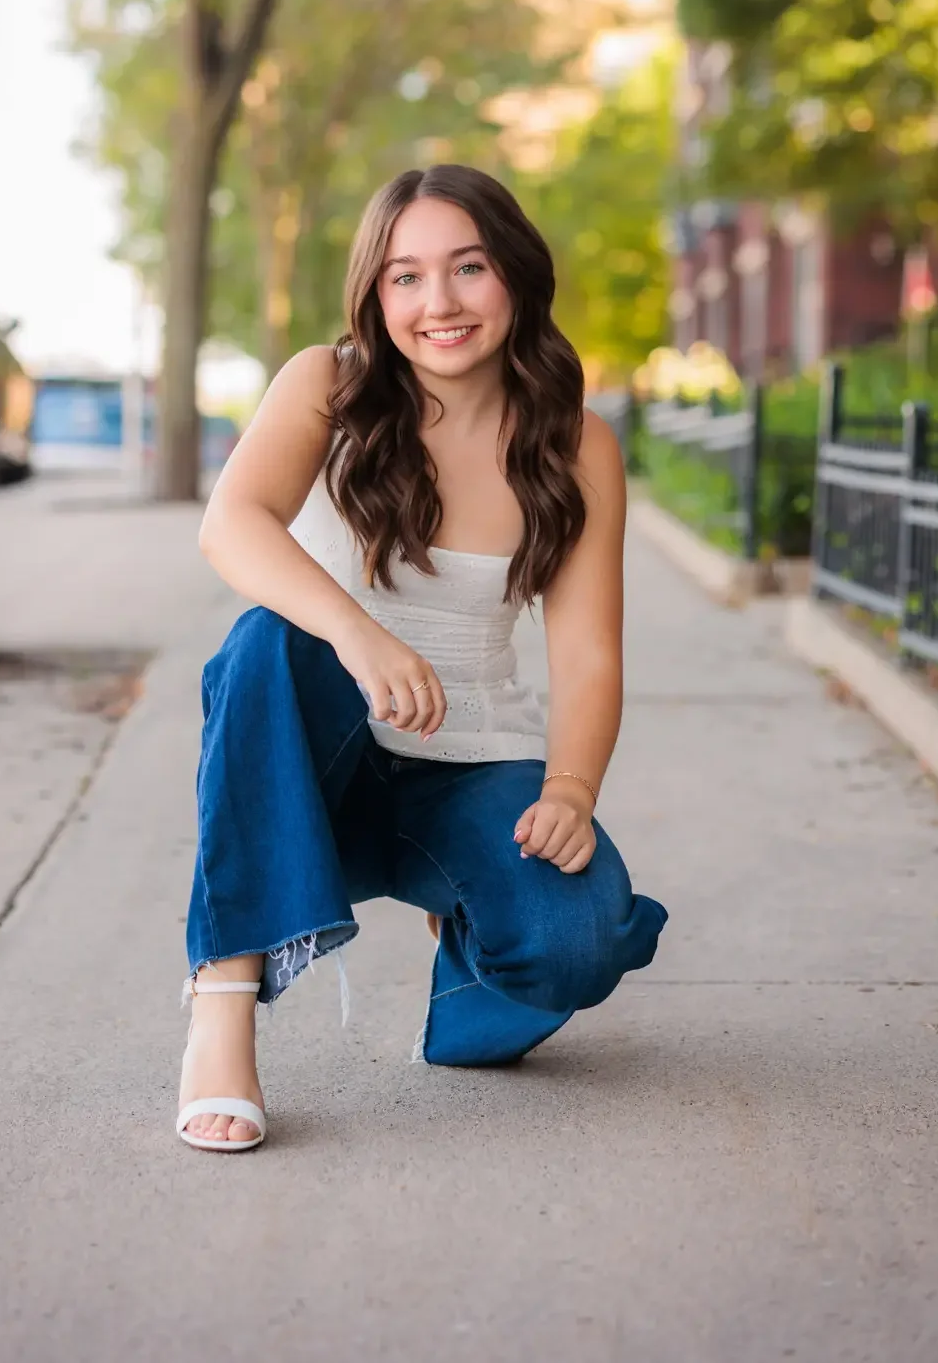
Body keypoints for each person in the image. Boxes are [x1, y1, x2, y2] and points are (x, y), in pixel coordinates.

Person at [176, 164, 667, 1152]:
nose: (435, 302)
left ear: (516, 274)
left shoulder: (574, 445)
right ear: (374, 291)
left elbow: (586, 653)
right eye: (404, 276)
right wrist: (358, 632)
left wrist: (569, 786)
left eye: (466, 267)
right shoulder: (331, 383)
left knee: (573, 943)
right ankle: (222, 995)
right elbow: (230, 525)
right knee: (270, 639)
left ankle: (470, 945)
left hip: (470, 762)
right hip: (312, 758)